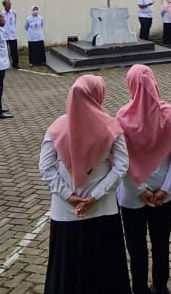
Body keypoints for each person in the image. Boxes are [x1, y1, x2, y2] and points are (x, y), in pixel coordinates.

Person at [40, 75, 131, 294]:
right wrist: (95, 196)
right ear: (97, 95)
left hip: (66, 211)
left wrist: (68, 196)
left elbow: (46, 167)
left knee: (67, 268)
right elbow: (122, 166)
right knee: (105, 270)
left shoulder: (57, 128)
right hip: (103, 209)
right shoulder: (110, 126)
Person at [116, 66, 171, 294]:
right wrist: (166, 188)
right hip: (162, 194)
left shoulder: (122, 118)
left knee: (136, 246)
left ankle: (139, 288)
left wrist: (139, 189)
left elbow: (120, 160)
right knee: (161, 242)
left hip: (132, 195)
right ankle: (160, 285)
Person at [1, 0, 21, 71]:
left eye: (10, 4)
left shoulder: (14, 12)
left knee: (14, 50)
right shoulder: (1, 14)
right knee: (4, 51)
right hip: (4, 35)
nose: (10, 6)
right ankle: (4, 64)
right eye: (8, 4)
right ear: (4, 5)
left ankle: (15, 64)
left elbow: (14, 23)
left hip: (12, 35)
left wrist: (13, 30)